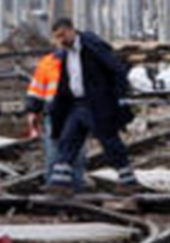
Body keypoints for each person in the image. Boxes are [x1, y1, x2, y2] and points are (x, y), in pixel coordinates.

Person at [46, 18, 139, 195]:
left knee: (109, 141)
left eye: (63, 35)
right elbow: (67, 81)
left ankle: (129, 180)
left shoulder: (92, 46)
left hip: (97, 105)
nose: (61, 40)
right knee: (68, 140)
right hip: (77, 104)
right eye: (57, 37)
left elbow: (116, 70)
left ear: (72, 30)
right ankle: (59, 182)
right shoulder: (67, 54)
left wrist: (117, 99)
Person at [25, 51, 88, 190]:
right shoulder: (48, 62)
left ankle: (76, 187)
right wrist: (32, 111)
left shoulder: (84, 61)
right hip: (54, 114)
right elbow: (37, 89)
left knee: (76, 153)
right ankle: (55, 188)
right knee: (55, 152)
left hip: (76, 112)